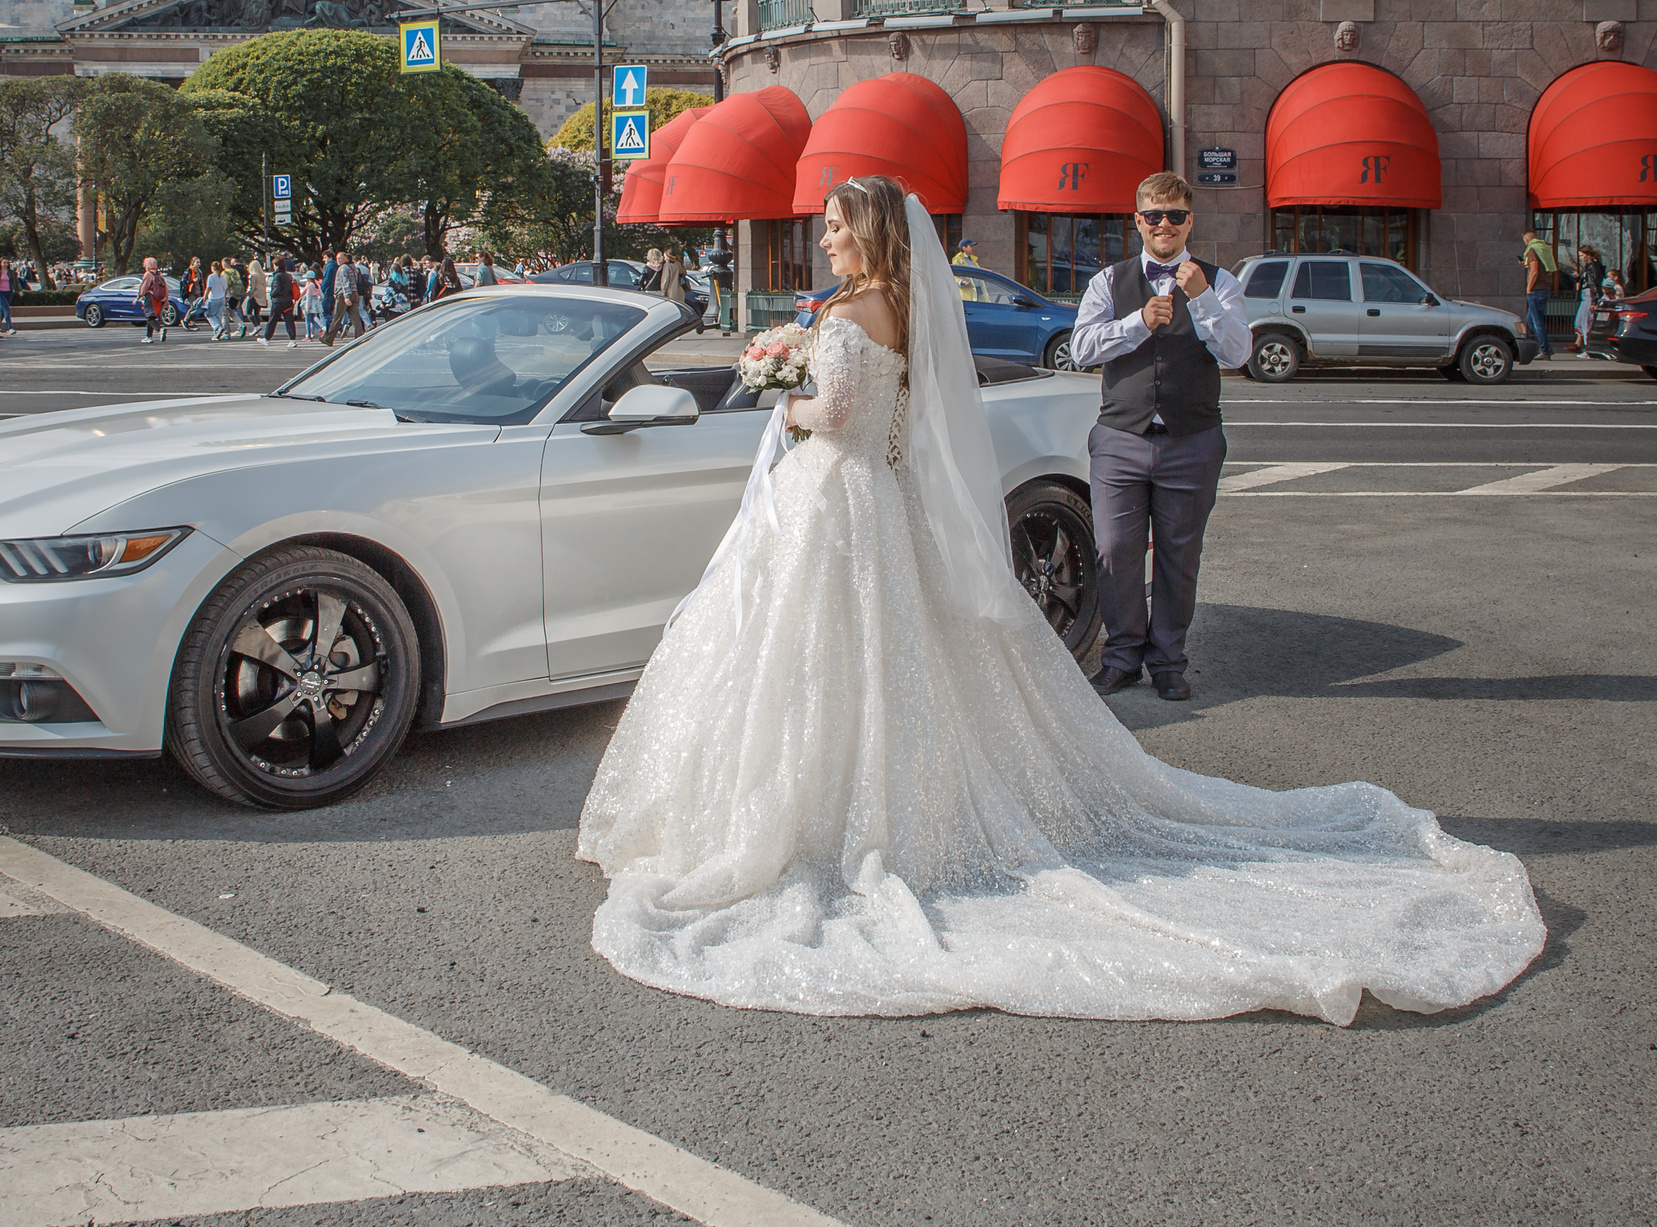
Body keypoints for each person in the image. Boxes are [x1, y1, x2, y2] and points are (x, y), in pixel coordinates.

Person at [577, 172, 1545, 1024]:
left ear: (866, 232)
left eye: (833, 223)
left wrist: (775, 392)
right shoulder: (893, 309)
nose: (823, 235)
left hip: (835, 499)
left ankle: (819, 818)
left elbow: (833, 415)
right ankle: (889, 782)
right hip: (870, 501)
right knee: (868, 661)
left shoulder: (847, 316)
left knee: (821, 661)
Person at [1067, 173, 1250, 703]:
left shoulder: (1218, 282)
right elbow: (1081, 348)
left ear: (1189, 220)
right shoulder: (1110, 281)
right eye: (1153, 215)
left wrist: (1205, 300)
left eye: (1174, 215)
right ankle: (1123, 656)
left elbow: (1239, 353)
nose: (1163, 224)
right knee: (1115, 549)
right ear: (1137, 221)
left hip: (1191, 439)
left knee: (1178, 554)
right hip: (1121, 437)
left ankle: (1168, 661)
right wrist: (1136, 323)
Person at [1519, 228, 1557, 361]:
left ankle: (1545, 350)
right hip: (1544, 288)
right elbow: (1545, 268)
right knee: (1530, 320)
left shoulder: (1532, 250)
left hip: (1536, 290)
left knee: (1537, 322)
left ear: (1527, 239)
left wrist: (1529, 288)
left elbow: (1534, 271)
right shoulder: (1544, 248)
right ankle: (1546, 346)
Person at [1573, 244, 1607, 357]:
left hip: (1590, 295)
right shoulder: (1588, 266)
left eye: (1582, 255)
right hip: (1586, 295)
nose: (1581, 258)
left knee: (1586, 323)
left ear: (1589, 255)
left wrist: (1595, 302)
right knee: (1580, 322)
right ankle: (1583, 346)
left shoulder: (1593, 266)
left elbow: (1595, 284)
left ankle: (1589, 349)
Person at [262, 254, 299, 345]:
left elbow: (277, 289)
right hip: (288, 300)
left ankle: (267, 338)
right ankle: (292, 339)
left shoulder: (277, 276)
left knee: (273, 320)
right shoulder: (288, 275)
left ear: (276, 265)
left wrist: (272, 294)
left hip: (278, 301)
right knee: (289, 320)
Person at [139, 257, 170, 344]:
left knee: (149, 317)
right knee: (152, 316)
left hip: (150, 297)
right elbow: (165, 288)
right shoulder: (159, 275)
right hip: (158, 299)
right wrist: (166, 299)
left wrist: (139, 296)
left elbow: (144, 287)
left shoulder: (148, 274)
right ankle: (149, 337)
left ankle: (160, 329)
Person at [205, 259, 233, 339]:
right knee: (218, 316)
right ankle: (217, 334)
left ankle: (217, 327)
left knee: (209, 314)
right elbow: (226, 288)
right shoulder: (223, 277)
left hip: (213, 298)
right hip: (222, 298)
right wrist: (225, 297)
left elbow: (209, 288)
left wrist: (205, 297)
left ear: (212, 268)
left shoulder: (211, 277)